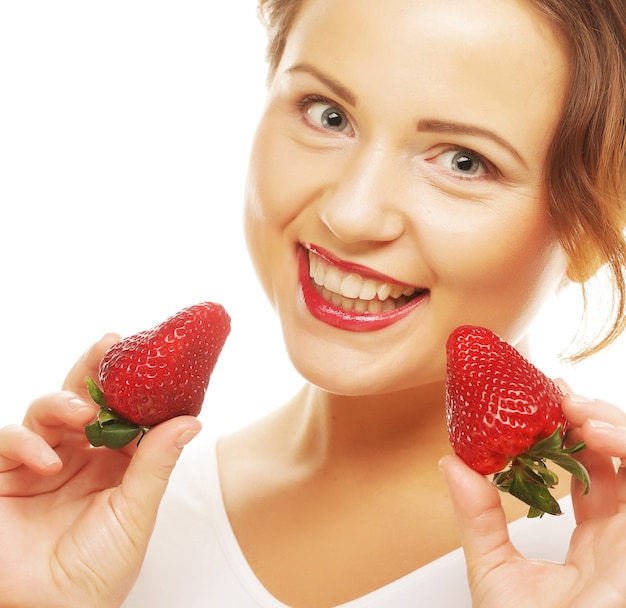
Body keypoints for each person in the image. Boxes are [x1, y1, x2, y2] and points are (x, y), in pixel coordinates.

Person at [2, 0, 626, 606]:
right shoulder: (102, 524)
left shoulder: (589, 570)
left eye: (465, 162)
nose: (350, 214)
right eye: (327, 115)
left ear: (593, 231)